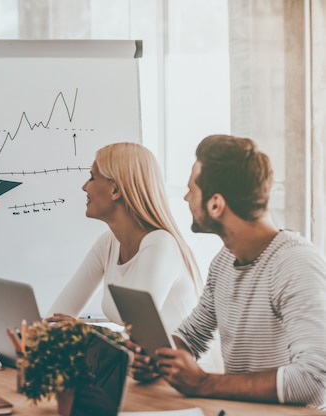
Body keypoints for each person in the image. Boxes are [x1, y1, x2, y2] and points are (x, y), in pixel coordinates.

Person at [130, 135, 326, 408]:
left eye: (191, 190)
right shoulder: (224, 260)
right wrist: (158, 359)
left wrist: (203, 382)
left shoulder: (295, 264)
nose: (186, 198)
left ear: (215, 204)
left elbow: (313, 379)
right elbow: (192, 336)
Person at [47, 142, 203, 336]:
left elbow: (140, 338)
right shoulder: (108, 243)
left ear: (115, 190)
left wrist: (83, 331)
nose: (84, 187)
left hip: (176, 365)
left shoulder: (160, 244)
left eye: (92, 177)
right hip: (135, 363)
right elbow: (55, 318)